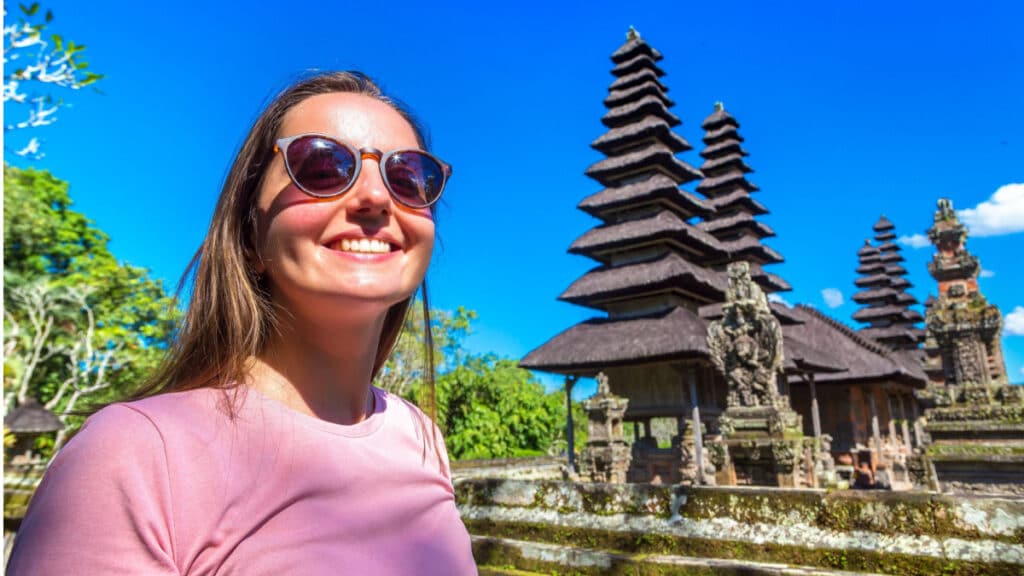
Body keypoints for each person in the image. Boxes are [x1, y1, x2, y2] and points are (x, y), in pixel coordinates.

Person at [7, 71, 478, 575]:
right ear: (250, 238)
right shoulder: (132, 454)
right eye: (321, 166)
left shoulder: (421, 437)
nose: (377, 198)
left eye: (409, 177)